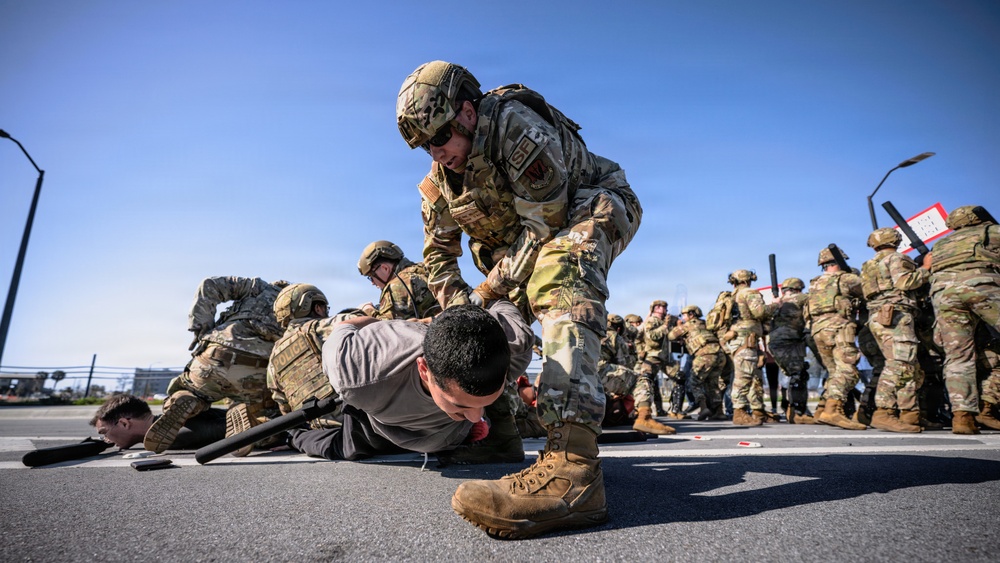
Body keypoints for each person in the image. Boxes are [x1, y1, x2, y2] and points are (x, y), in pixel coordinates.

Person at [397, 60, 642, 538]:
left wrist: (485, 291)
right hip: (517, 248)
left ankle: (572, 470)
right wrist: (459, 312)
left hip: (585, 205)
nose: (436, 150)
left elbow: (544, 224)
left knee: (559, 274)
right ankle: (500, 437)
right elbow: (438, 256)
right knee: (488, 324)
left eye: (441, 135)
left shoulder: (514, 126)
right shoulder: (437, 184)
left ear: (467, 112)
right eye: (425, 143)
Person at [288, 302, 534, 462]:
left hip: (448, 438)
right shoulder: (359, 376)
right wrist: (376, 322)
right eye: (459, 406)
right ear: (424, 370)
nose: (475, 417)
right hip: (379, 431)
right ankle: (292, 436)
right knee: (341, 446)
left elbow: (503, 307)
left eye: (482, 404)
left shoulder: (515, 349)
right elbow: (344, 327)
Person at [144, 276, 287, 454]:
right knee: (272, 422)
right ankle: (251, 416)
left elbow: (209, 284)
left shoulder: (257, 287)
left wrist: (201, 326)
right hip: (254, 372)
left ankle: (187, 399)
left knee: (189, 389)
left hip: (210, 359)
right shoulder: (298, 309)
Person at [928, 205, 1000, 434]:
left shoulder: (939, 245)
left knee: (958, 356)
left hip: (944, 295)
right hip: (982, 285)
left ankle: (962, 418)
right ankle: (986, 406)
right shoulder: (992, 231)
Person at [860, 227, 931, 433]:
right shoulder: (896, 258)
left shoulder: (869, 264)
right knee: (899, 363)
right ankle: (884, 412)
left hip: (880, 315)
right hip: (895, 315)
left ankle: (909, 415)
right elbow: (905, 281)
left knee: (909, 365)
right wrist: (926, 268)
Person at [266, 283, 355, 434]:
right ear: (317, 308)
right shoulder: (321, 327)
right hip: (352, 423)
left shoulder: (274, 356)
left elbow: (283, 404)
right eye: (324, 308)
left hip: (318, 433)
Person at [805, 247, 867, 430]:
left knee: (834, 372)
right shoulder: (845, 279)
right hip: (838, 326)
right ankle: (832, 410)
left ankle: (822, 409)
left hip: (818, 330)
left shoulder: (814, 283)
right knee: (848, 369)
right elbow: (870, 289)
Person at [600, 313, 674, 434]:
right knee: (640, 380)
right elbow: (624, 366)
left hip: (573, 373)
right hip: (598, 370)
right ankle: (644, 418)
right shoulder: (613, 336)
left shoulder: (586, 333)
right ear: (619, 328)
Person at [722, 269, 777, 426]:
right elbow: (760, 312)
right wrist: (775, 305)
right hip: (745, 341)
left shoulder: (732, 296)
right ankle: (739, 412)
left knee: (753, 376)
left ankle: (758, 411)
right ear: (747, 280)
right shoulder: (748, 292)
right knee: (744, 377)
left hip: (739, 341)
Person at [91, 393, 225, 450]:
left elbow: (229, 427)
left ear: (124, 423)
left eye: (104, 432)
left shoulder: (171, 436)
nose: (106, 439)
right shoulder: (171, 425)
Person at [767, 277, 817, 424]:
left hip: (775, 344)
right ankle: (798, 411)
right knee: (798, 375)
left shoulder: (777, 302)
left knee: (791, 374)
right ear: (798, 288)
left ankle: (790, 408)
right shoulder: (801, 298)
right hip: (791, 342)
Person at [357, 240, 442, 320]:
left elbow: (386, 327)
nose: (372, 282)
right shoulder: (423, 269)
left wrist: (367, 310)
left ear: (385, 268)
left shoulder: (397, 286)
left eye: (371, 276)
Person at [668, 305, 726, 420]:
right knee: (712, 384)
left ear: (691, 315)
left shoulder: (688, 325)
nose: (683, 317)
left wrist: (679, 325)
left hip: (705, 355)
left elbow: (671, 336)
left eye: (684, 315)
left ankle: (703, 408)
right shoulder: (705, 324)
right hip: (719, 354)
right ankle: (718, 412)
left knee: (694, 381)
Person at [640, 300, 678, 416]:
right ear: (656, 308)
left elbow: (671, 338)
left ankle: (676, 410)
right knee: (648, 380)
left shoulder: (665, 321)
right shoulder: (651, 321)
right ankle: (645, 410)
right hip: (653, 356)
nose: (665, 309)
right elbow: (652, 336)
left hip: (666, 358)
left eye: (665, 307)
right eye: (662, 307)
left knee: (679, 377)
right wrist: (665, 326)